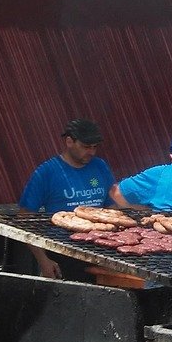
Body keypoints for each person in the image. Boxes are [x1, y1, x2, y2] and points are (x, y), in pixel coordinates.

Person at [18, 118, 114, 279]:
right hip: (61, 254)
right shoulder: (47, 172)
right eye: (86, 147)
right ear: (69, 142)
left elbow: (111, 208)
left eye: (94, 147)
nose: (91, 152)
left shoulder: (100, 166)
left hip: (100, 251)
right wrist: (43, 260)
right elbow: (24, 218)